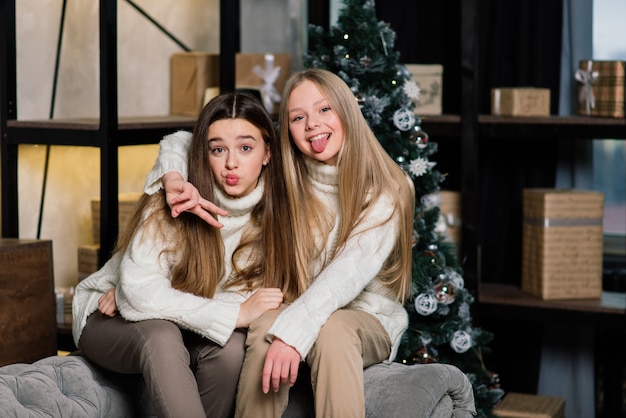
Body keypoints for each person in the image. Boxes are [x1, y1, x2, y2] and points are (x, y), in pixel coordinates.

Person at [151, 68, 415, 418]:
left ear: (348, 111)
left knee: (332, 331)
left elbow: (349, 272)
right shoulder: (284, 173)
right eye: (298, 117)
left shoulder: (388, 187)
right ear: (286, 130)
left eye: (324, 110)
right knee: (265, 330)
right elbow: (187, 140)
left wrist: (293, 333)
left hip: (364, 317)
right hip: (298, 303)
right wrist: (171, 175)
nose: (312, 125)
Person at [72, 91, 296, 418]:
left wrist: (149, 299)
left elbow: (263, 302)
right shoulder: (176, 198)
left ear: (267, 153)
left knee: (232, 349)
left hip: (184, 324)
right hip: (109, 317)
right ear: (203, 153)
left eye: (245, 148)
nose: (231, 163)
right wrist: (132, 296)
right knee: (160, 335)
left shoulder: (278, 216)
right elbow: (141, 292)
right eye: (218, 149)